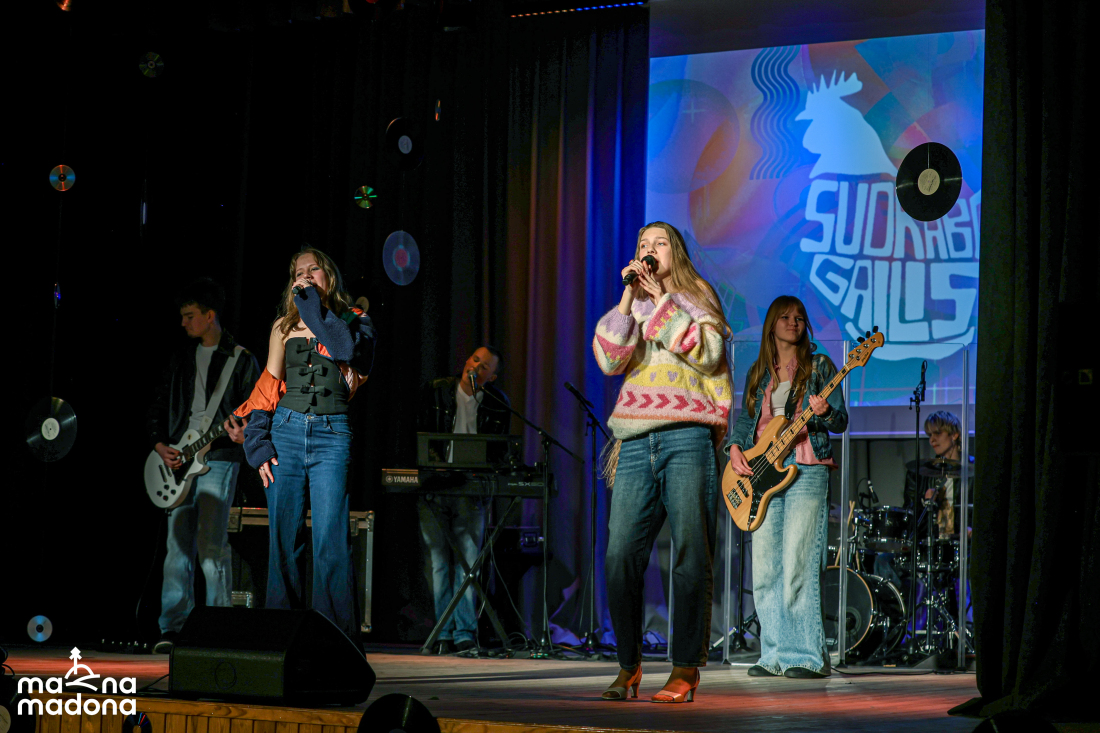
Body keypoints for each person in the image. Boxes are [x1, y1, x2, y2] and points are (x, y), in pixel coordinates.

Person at [593, 221, 732, 703]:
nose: (649, 249)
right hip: (634, 439)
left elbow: (709, 354)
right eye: (642, 244)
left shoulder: (697, 295)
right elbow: (609, 360)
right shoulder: (632, 306)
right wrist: (631, 297)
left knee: (691, 552)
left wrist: (663, 304)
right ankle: (628, 665)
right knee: (619, 556)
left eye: (659, 243)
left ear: (676, 253)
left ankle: (685, 669)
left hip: (688, 435)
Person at [233, 247, 375, 644]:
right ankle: (282, 642)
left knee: (331, 541)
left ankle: (335, 644)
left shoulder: (356, 321)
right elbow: (267, 387)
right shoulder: (282, 326)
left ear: (329, 276)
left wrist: (312, 307)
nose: (306, 275)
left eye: (314, 269)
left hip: (332, 435)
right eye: (299, 272)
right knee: (284, 540)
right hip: (287, 432)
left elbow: (345, 351)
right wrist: (257, 444)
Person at [726, 295, 848, 679]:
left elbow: (841, 421)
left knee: (799, 564)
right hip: (762, 475)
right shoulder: (760, 372)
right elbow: (746, 424)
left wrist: (826, 412)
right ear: (771, 325)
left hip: (807, 468)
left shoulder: (820, 366)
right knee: (765, 569)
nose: (793, 322)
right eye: (785, 316)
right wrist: (734, 448)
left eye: (799, 317)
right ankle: (773, 655)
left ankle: (807, 657)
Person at [146, 278, 261, 654]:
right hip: (179, 459)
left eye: (190, 315)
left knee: (212, 545)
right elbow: (158, 404)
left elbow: (257, 410)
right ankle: (173, 628)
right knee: (177, 546)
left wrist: (241, 434)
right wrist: (159, 444)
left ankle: (218, 629)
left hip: (219, 459)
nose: (183, 323)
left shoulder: (241, 359)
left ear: (211, 316)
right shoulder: (181, 358)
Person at [416, 346, 511, 654]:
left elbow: (500, 450)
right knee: (438, 563)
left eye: (484, 367)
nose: (475, 367)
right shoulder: (437, 391)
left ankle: (464, 634)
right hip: (437, 485)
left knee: (468, 563)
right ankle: (443, 633)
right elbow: (421, 433)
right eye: (474, 360)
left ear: (491, 377)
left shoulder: (497, 402)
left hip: (471, 489)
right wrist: (435, 465)